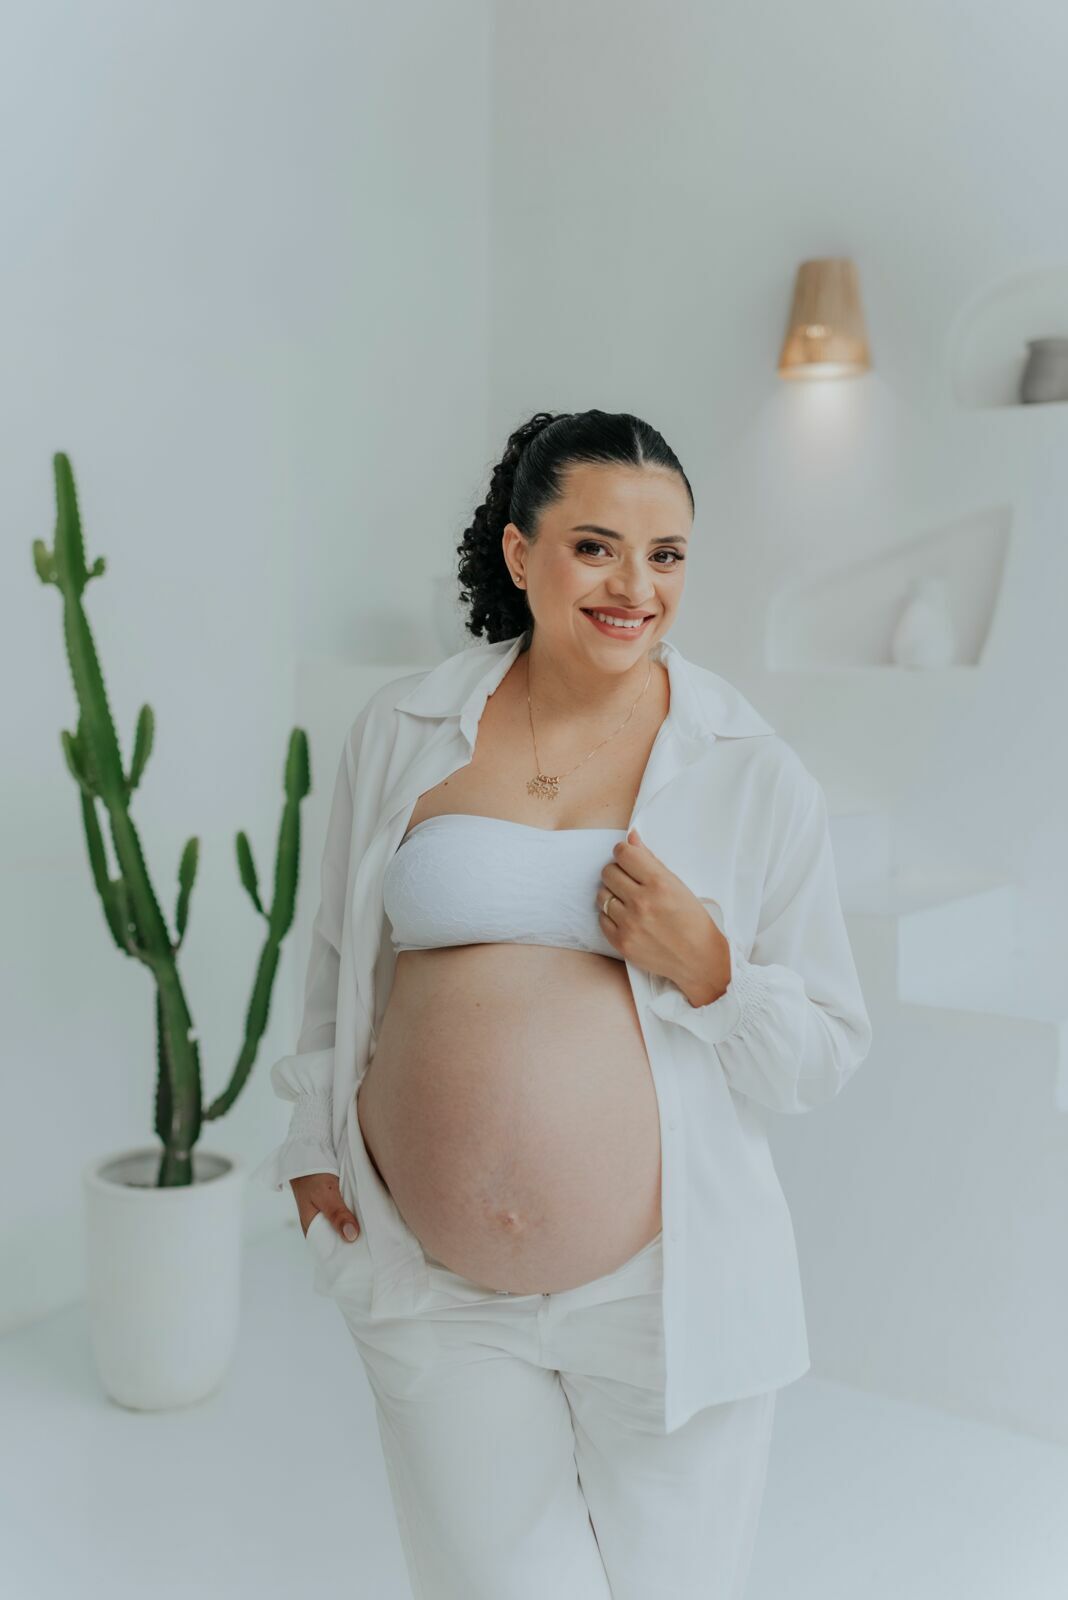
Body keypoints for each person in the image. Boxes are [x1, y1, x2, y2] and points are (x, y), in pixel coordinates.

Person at [253, 409, 873, 1599]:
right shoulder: (403, 730)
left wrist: (713, 970)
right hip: (434, 1291)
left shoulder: (750, 768)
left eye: (666, 554)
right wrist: (310, 1142)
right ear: (519, 551)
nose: (636, 587)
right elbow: (340, 958)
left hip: (661, 1297)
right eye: (596, 547)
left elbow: (824, 1054)